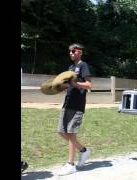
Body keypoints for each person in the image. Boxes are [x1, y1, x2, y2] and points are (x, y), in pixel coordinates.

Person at [57, 43, 93, 176]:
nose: (71, 53)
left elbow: (89, 85)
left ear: (80, 52)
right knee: (61, 131)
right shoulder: (71, 67)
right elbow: (68, 85)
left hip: (77, 105)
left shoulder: (83, 65)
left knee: (71, 133)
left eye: (73, 51)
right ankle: (83, 150)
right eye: (69, 51)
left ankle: (70, 164)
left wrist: (76, 84)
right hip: (67, 104)